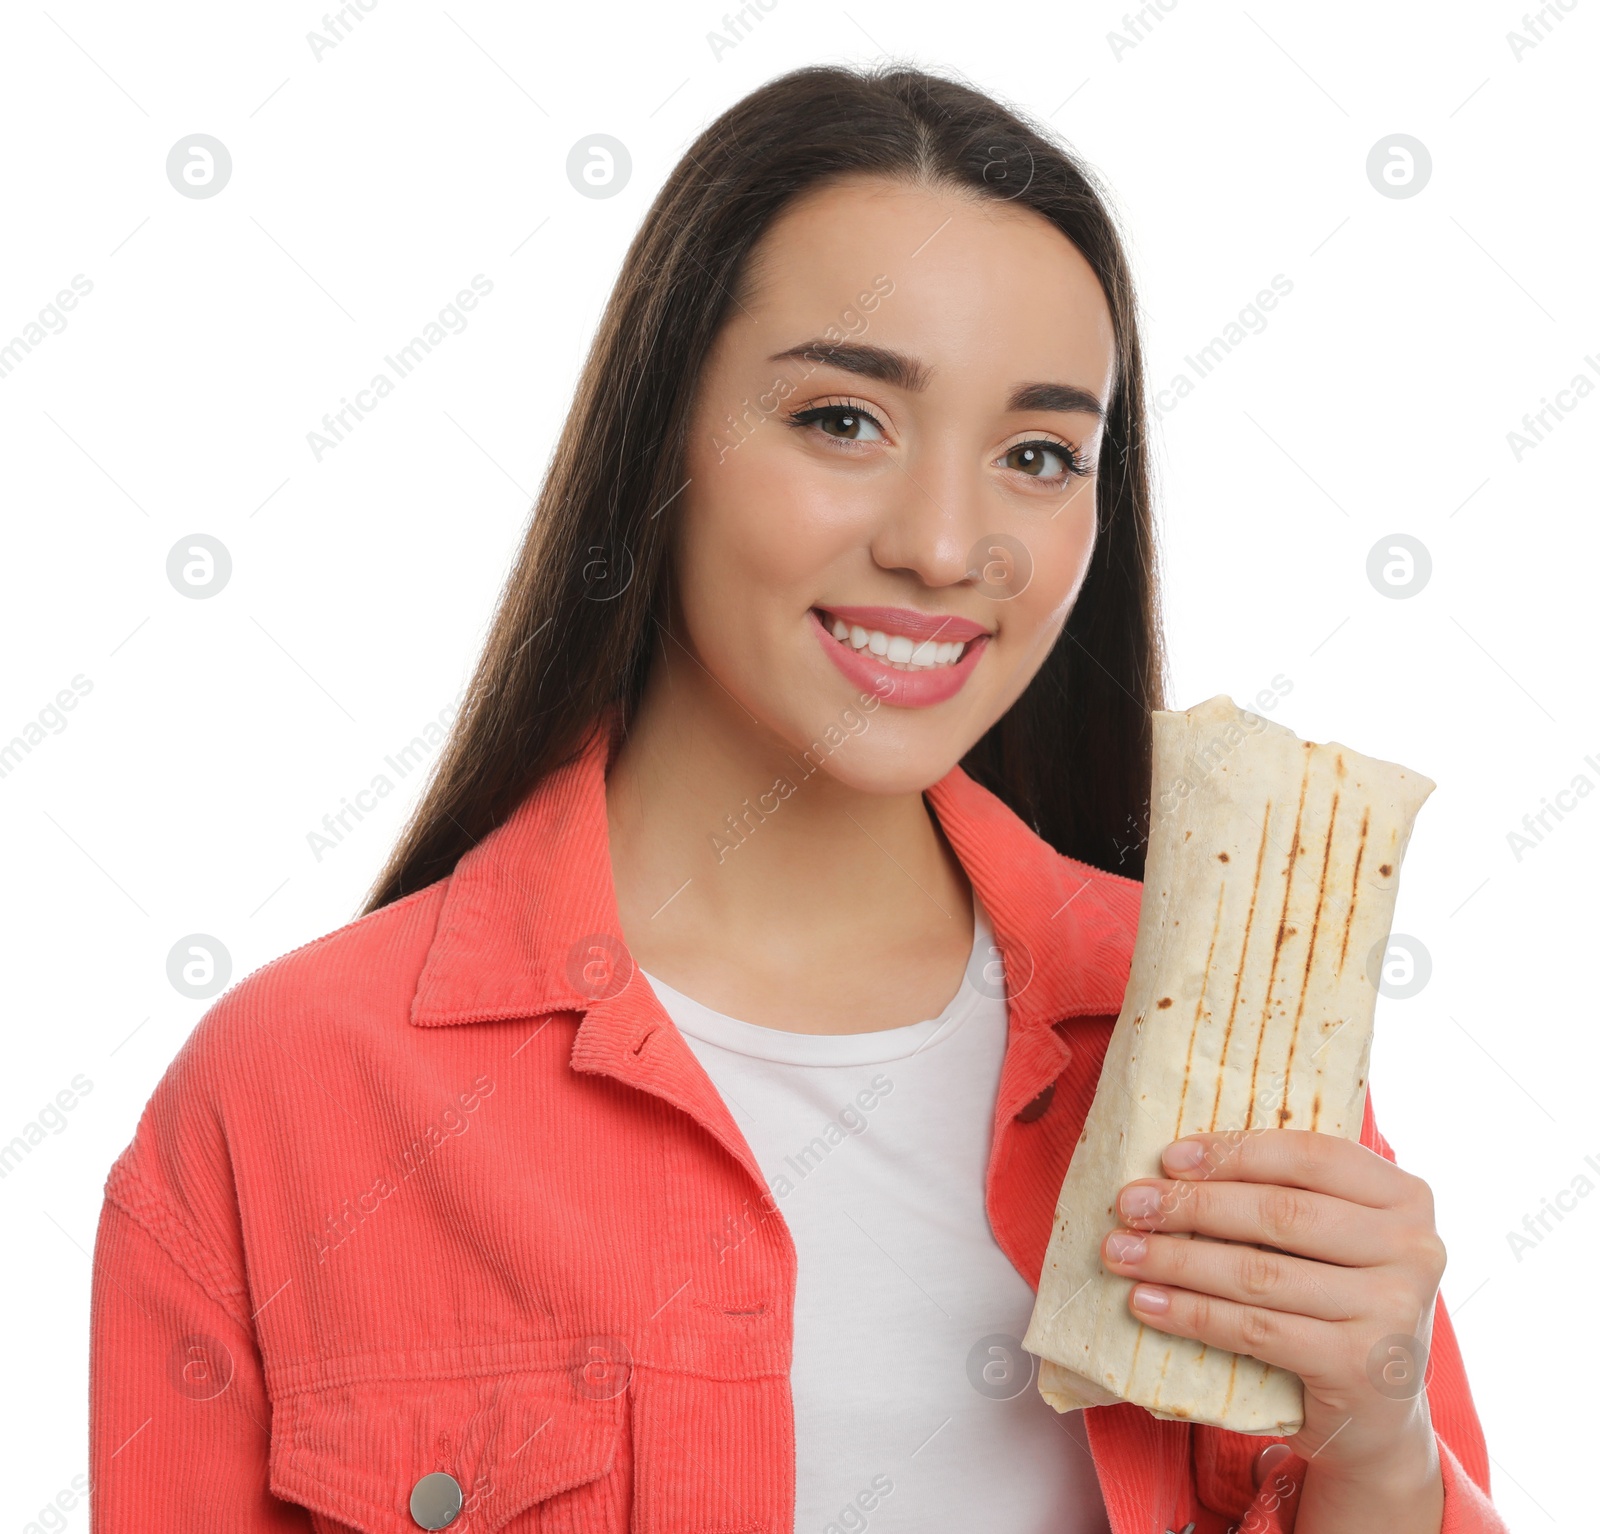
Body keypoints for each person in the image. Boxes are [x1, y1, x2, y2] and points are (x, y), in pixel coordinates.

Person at [89, 63, 1506, 1533]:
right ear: (663, 441)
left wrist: (1378, 1447)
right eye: (843, 419)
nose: (949, 546)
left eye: (1037, 454)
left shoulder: (1215, 1055)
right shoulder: (292, 1094)